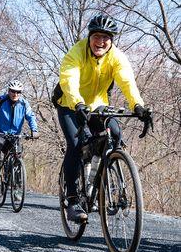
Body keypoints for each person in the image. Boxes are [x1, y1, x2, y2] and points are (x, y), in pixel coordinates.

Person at [55, 14, 151, 223]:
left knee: (114, 133)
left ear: (112, 40)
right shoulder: (76, 53)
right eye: (97, 36)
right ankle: (72, 199)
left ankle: (98, 182)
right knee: (76, 144)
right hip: (70, 105)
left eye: (106, 37)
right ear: (89, 37)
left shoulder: (116, 57)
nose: (101, 41)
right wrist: (78, 103)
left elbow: (127, 81)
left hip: (98, 105)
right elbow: (69, 80)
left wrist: (138, 105)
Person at [0, 79, 38, 182]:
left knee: (18, 158)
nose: (15, 94)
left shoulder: (24, 104)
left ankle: (17, 188)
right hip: (1, 132)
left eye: (18, 92)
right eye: (13, 91)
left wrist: (34, 130)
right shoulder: (1, 101)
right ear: (8, 91)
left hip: (15, 135)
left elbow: (31, 117)